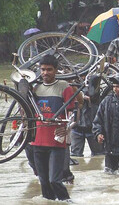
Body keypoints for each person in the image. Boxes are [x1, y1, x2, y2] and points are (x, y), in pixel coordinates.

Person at [31, 55, 76, 201]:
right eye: (43, 69)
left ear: (56, 70)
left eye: (49, 70)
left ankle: (68, 202)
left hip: (56, 143)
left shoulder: (64, 87)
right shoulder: (35, 88)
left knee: (55, 180)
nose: (45, 73)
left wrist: (67, 129)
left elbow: (73, 114)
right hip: (37, 142)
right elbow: (26, 110)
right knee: (43, 182)